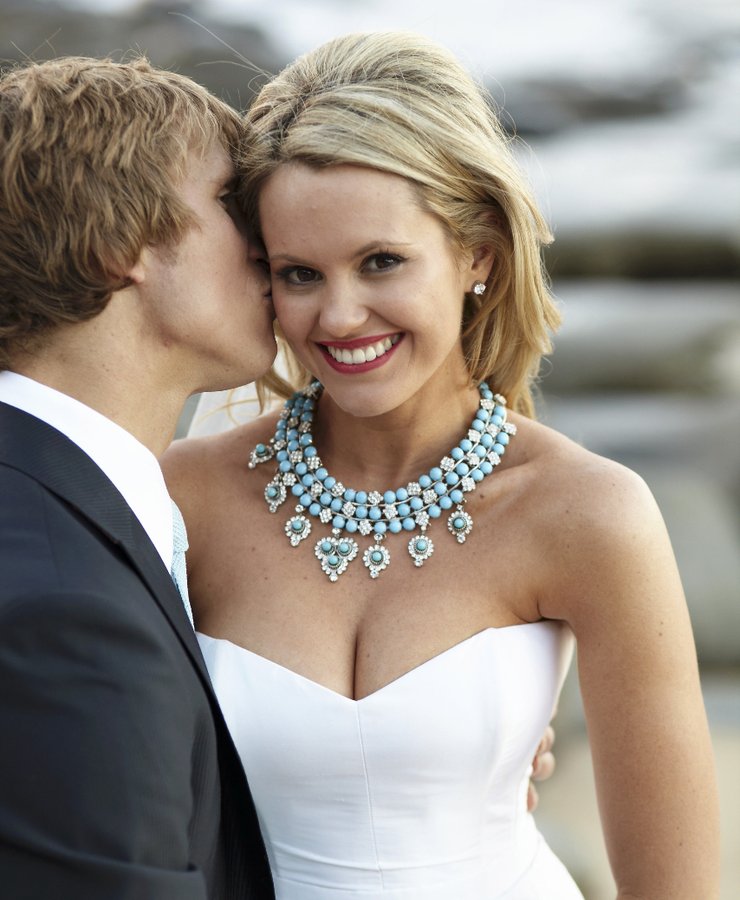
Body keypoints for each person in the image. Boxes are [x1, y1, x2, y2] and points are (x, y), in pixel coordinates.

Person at [164, 31, 721, 899]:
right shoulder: (180, 498)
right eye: (299, 273)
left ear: (479, 255)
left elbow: (674, 887)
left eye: (381, 261)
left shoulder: (591, 515)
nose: (340, 317)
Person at [0, 57, 276, 898]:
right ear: (123, 247)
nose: (274, 241)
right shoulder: (64, 613)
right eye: (234, 205)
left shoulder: (67, 516)